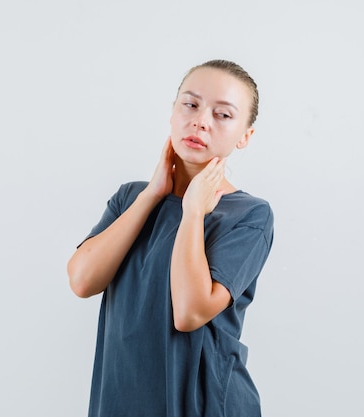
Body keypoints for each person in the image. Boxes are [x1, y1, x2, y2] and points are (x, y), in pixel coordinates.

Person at [67, 59, 274, 417]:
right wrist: (152, 195)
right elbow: (82, 281)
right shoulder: (130, 199)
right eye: (190, 105)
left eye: (223, 115)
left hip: (204, 405)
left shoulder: (249, 216)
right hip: (121, 401)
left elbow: (190, 313)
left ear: (245, 136)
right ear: (173, 112)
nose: (201, 121)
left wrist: (193, 212)